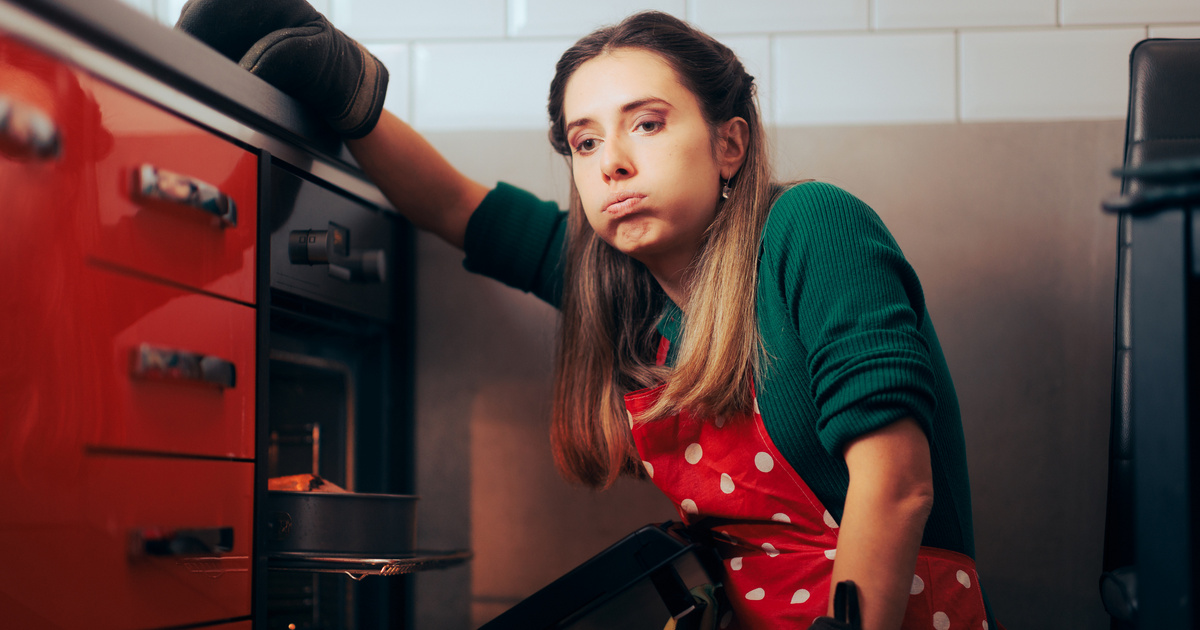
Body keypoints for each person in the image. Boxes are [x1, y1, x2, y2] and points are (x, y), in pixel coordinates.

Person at [178, 3, 1000, 629]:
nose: (612, 162)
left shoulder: (812, 229)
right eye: (583, 141)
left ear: (729, 146)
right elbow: (456, 206)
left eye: (647, 123)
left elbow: (896, 486)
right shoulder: (621, 289)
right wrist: (348, 95)